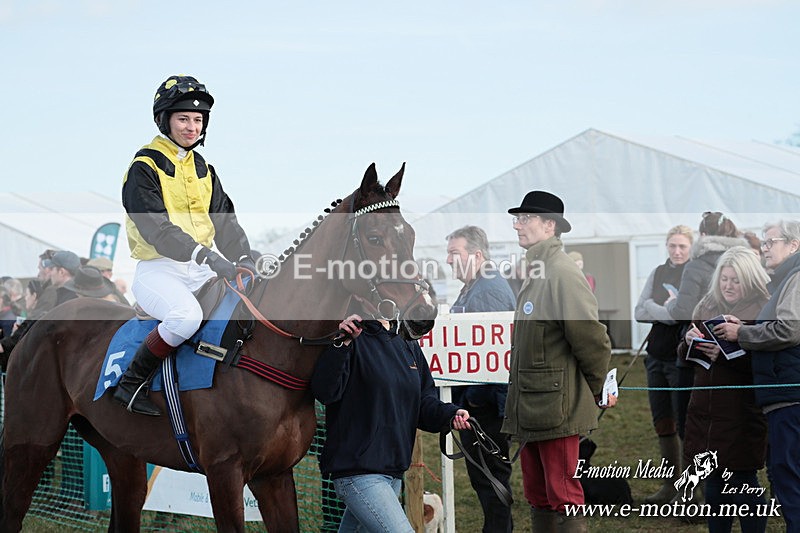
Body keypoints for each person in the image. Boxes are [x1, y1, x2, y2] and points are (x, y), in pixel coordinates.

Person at [117, 75, 254, 416]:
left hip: (200, 268)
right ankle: (131, 383)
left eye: (198, 120)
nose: (192, 127)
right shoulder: (143, 166)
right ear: (165, 120)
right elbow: (156, 229)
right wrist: (206, 256)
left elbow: (225, 220)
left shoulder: (205, 169)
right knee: (185, 316)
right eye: (183, 119)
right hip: (158, 270)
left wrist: (245, 257)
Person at [502, 190, 616, 532]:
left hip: (557, 406)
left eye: (525, 219)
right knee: (538, 495)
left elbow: (591, 339)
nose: (518, 226)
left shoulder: (561, 272)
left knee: (563, 494)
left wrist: (600, 388)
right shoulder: (538, 270)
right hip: (535, 405)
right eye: (517, 219)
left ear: (549, 225)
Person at [311, 314, 471, 533]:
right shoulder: (350, 335)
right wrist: (342, 344)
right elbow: (324, 392)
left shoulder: (406, 341)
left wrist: (450, 415)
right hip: (358, 473)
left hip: (392, 472)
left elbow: (423, 401)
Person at [716, 220, 800, 532]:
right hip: (785, 394)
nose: (764, 248)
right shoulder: (786, 279)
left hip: (790, 396)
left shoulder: (797, 277)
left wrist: (743, 333)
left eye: (770, 242)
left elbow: (790, 329)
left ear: (793, 245)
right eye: (763, 243)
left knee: (788, 474)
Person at [678, 246, 769, 533]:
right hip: (705, 409)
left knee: (743, 482)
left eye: (736, 280)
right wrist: (688, 342)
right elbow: (683, 357)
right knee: (714, 483)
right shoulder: (706, 305)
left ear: (750, 279)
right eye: (724, 279)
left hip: (742, 411)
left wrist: (733, 354)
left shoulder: (764, 309)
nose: (728, 286)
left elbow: (769, 363)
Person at [445, 225, 516, 533]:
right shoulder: (475, 287)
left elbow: (491, 357)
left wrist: (471, 401)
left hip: (485, 410)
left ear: (476, 255)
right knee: (487, 485)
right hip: (478, 406)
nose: (448, 261)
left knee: (492, 485)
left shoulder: (487, 291)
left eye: (453, 253)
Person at [664, 212, 747, 448]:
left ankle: (698, 480)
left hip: (699, 347)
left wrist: (670, 304)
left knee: (691, 421)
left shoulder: (696, 265)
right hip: (736, 349)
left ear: (702, 235)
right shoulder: (744, 261)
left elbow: (683, 310)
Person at [634, 224, 694, 503]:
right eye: (672, 245)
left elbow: (678, 315)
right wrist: (664, 311)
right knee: (663, 422)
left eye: (682, 246)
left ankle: (689, 491)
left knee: (686, 424)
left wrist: (657, 310)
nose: (677, 251)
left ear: (690, 247)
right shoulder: (658, 272)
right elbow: (638, 311)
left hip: (681, 359)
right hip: (655, 356)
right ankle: (669, 486)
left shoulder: (694, 274)